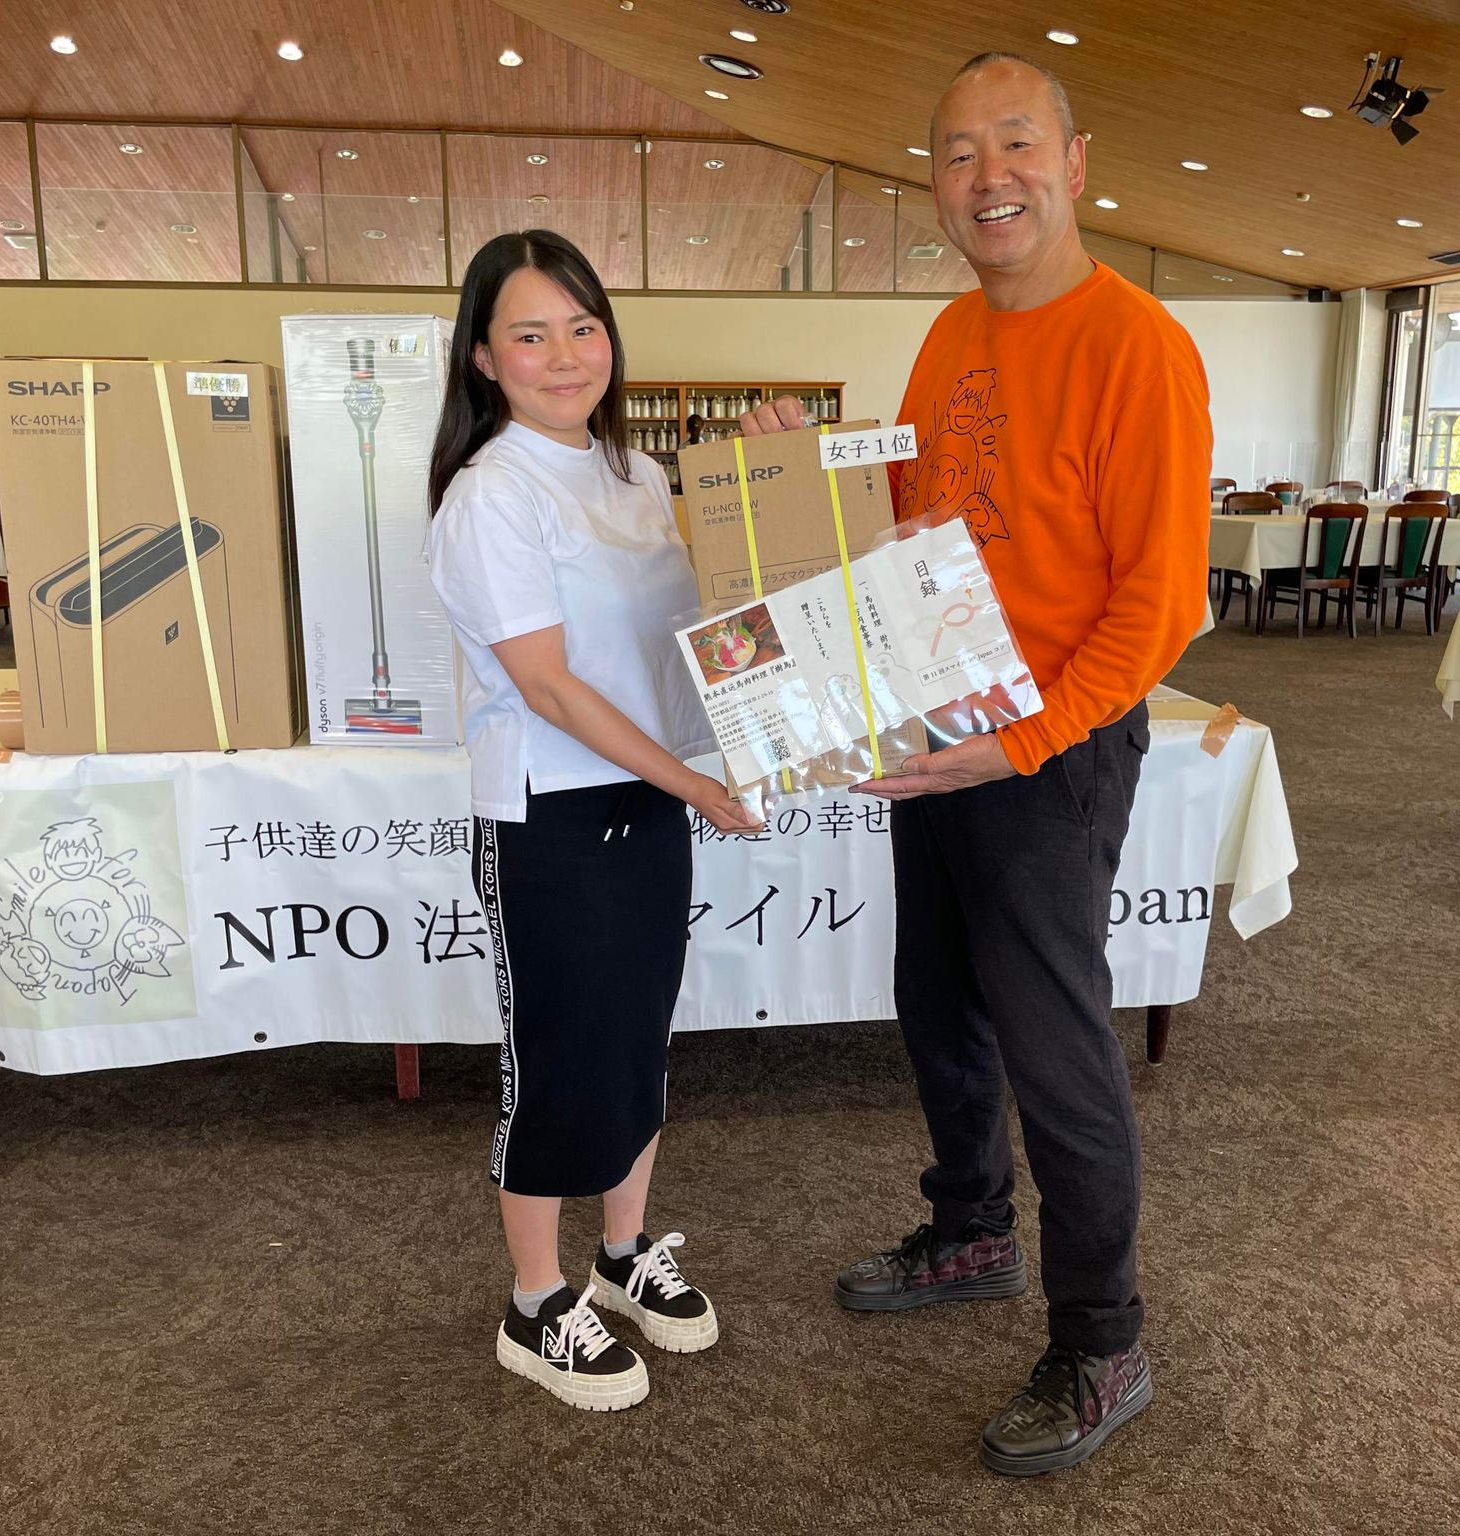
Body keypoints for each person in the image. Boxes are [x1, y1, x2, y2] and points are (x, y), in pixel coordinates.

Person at [742, 53, 1209, 1475]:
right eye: (956, 153)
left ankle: (1102, 1338)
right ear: (935, 183)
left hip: (1047, 751)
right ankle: (969, 1230)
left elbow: (1159, 605)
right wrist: (802, 469)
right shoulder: (952, 333)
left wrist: (1018, 744)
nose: (986, 176)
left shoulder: (1139, 348)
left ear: (1074, 162)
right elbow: (913, 513)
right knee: (935, 996)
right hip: (938, 728)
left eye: (1014, 144)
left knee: (1055, 1045)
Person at [426, 229, 760, 1413]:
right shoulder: (490, 495)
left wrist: (769, 485)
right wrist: (697, 785)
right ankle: (534, 1303)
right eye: (529, 333)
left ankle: (620, 1254)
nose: (564, 354)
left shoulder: (636, 476)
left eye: (582, 327)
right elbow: (551, 687)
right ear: (483, 357)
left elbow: (705, 630)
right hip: (551, 813)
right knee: (559, 1059)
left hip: (649, 795)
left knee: (635, 1040)